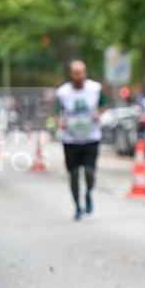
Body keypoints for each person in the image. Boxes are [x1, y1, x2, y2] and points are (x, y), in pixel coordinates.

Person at [55, 60, 107, 220]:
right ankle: (77, 206)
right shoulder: (63, 92)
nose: (80, 75)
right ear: (70, 74)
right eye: (76, 72)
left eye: (82, 72)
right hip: (71, 139)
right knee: (74, 174)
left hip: (91, 137)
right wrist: (59, 121)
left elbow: (104, 105)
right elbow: (57, 112)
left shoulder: (95, 89)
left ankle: (89, 193)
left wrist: (99, 112)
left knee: (90, 172)